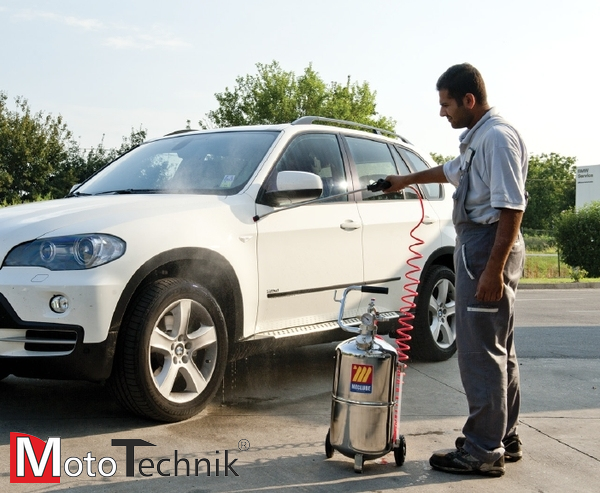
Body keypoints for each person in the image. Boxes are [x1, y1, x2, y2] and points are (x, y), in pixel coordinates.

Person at [384, 63, 528, 477]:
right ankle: (504, 436)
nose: (442, 112)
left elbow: (511, 207)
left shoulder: (497, 139)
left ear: (469, 99)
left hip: (488, 247)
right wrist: (403, 180)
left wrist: (492, 271)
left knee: (480, 353)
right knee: (500, 348)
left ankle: (483, 451)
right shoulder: (478, 139)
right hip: (483, 246)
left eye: (446, 104)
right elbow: (450, 171)